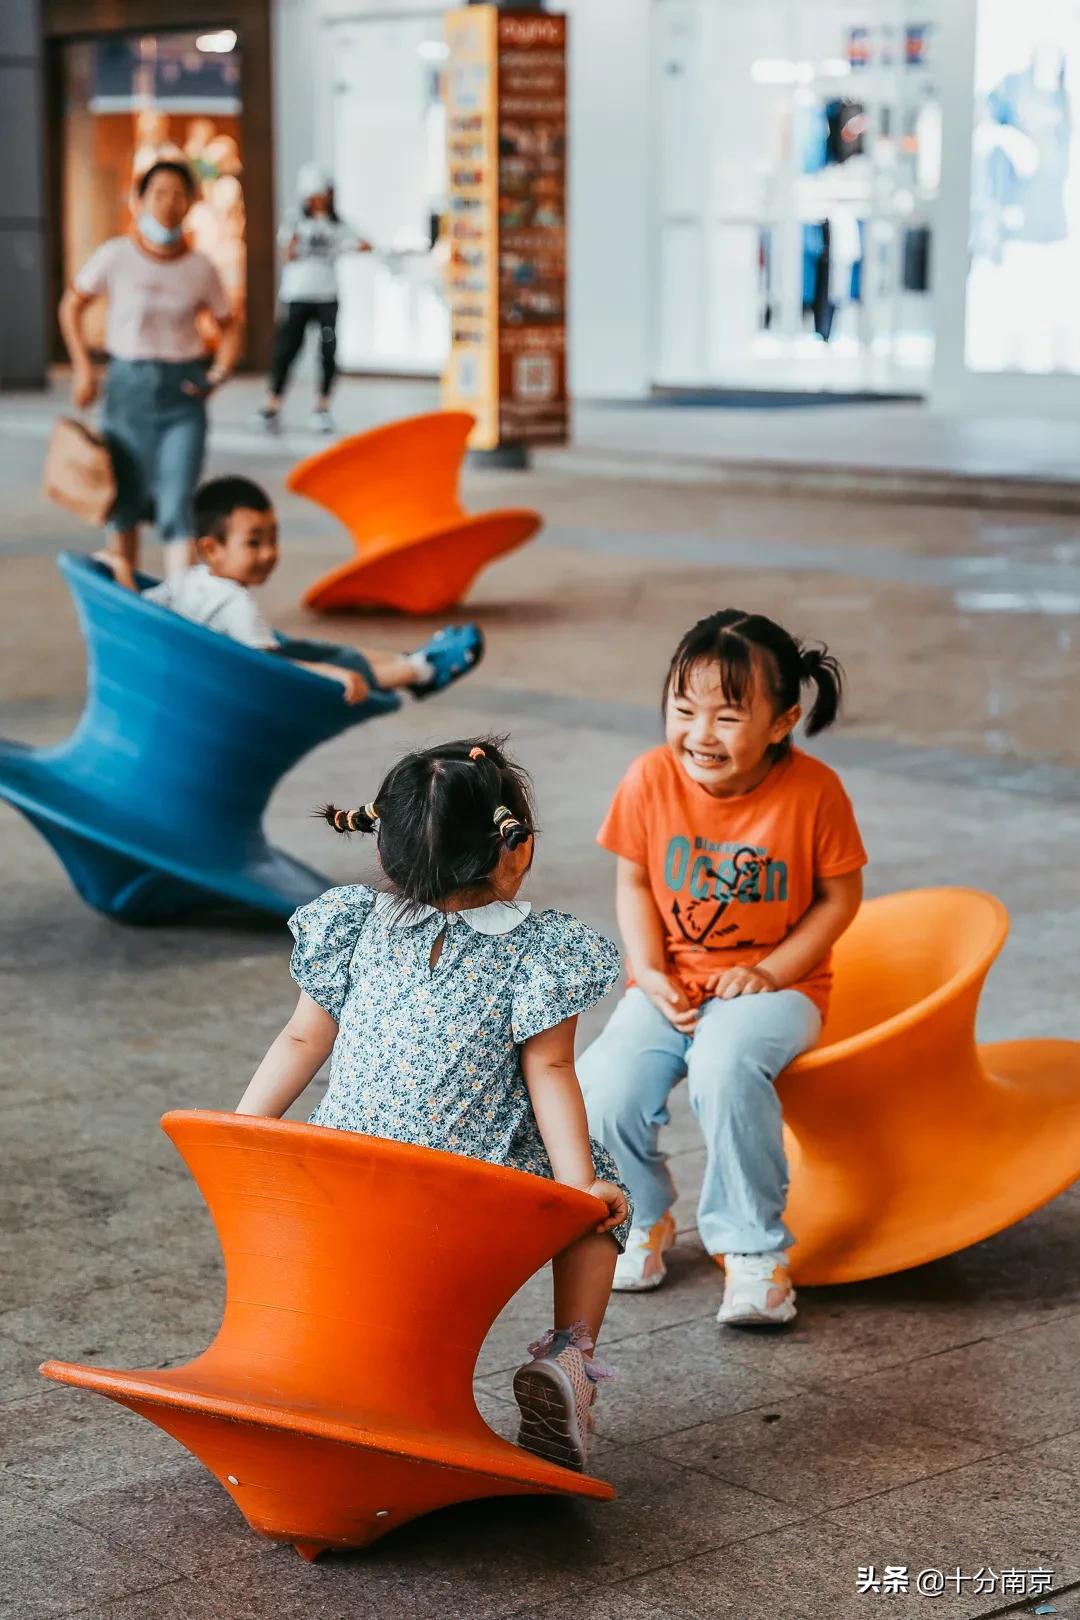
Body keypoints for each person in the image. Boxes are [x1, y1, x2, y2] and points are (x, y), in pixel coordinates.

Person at [235, 738, 631, 1469]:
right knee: (604, 1203)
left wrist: (245, 1134)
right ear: (515, 849)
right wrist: (581, 1189)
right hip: (467, 1192)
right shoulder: (540, 947)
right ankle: (570, 1358)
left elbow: (300, 1039)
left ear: (385, 849)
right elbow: (549, 1072)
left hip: (347, 1178)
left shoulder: (351, 921)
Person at [579, 610, 867, 1328]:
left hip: (781, 987)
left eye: (727, 716)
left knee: (722, 1065)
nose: (699, 734)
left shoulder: (814, 792)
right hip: (670, 980)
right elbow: (636, 880)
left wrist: (771, 972)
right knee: (602, 1083)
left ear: (782, 721)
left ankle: (752, 1250)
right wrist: (646, 970)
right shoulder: (649, 778)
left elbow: (839, 896)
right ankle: (642, 1217)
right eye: (683, 710)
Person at [99, 475, 483, 705]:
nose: (269, 554)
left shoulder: (188, 579)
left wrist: (120, 568)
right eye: (253, 543)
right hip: (240, 683)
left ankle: (411, 660)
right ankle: (420, 670)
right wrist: (329, 675)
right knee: (337, 663)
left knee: (314, 648)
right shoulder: (236, 603)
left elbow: (137, 610)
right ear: (211, 548)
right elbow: (270, 669)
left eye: (273, 539)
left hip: (222, 659)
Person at [59, 160, 238, 581]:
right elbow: (72, 305)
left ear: (192, 202)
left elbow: (229, 324)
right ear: (138, 200)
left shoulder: (200, 268)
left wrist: (219, 373)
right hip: (127, 387)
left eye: (179, 194)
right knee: (125, 503)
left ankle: (178, 608)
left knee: (178, 504)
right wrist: (83, 368)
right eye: (158, 193)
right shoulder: (116, 255)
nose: (169, 204)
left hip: (184, 390)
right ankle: (127, 599)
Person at [258, 164, 372, 435]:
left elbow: (365, 243)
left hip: (327, 297)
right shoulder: (295, 220)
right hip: (297, 295)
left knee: (328, 350)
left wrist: (344, 247)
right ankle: (272, 404)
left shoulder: (338, 224)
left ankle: (322, 406)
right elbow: (288, 253)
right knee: (286, 350)